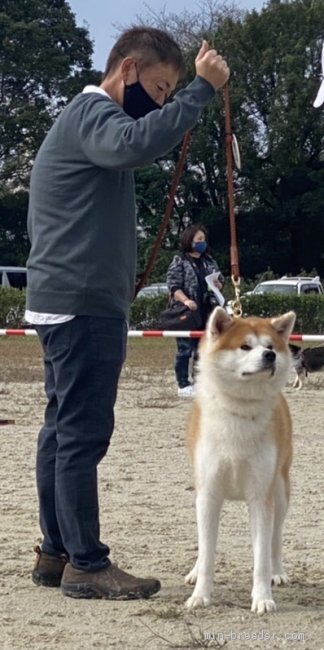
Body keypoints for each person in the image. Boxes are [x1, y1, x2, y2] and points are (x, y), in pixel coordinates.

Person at [25, 26, 230, 600]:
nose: (162, 102)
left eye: (170, 95)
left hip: (63, 299)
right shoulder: (95, 116)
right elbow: (135, 144)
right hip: (83, 304)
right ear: (129, 70)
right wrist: (200, 92)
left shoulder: (81, 120)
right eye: (161, 88)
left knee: (60, 432)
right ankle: (86, 564)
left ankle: (56, 551)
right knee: (81, 435)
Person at [166, 224, 224, 397]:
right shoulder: (180, 261)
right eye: (199, 239)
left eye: (204, 240)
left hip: (207, 309)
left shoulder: (209, 261)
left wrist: (218, 284)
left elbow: (220, 280)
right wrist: (185, 300)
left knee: (203, 349)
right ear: (189, 240)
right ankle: (183, 384)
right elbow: (173, 286)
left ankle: (199, 382)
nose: (202, 242)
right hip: (187, 310)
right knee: (184, 349)